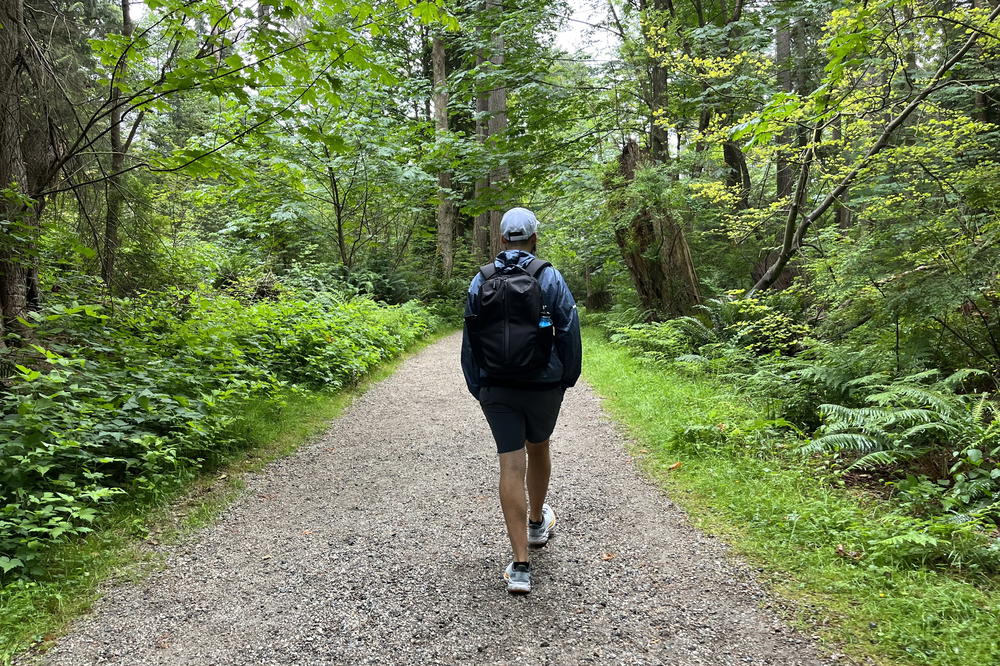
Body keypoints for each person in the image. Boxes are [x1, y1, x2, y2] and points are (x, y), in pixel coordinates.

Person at [461, 207, 582, 594]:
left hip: (496, 385)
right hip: (543, 384)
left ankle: (520, 567)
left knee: (510, 464)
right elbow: (568, 329)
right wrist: (567, 377)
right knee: (539, 446)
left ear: (501, 240)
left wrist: (478, 386)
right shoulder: (549, 276)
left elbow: (470, 338)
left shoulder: (481, 279)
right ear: (534, 238)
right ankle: (535, 524)